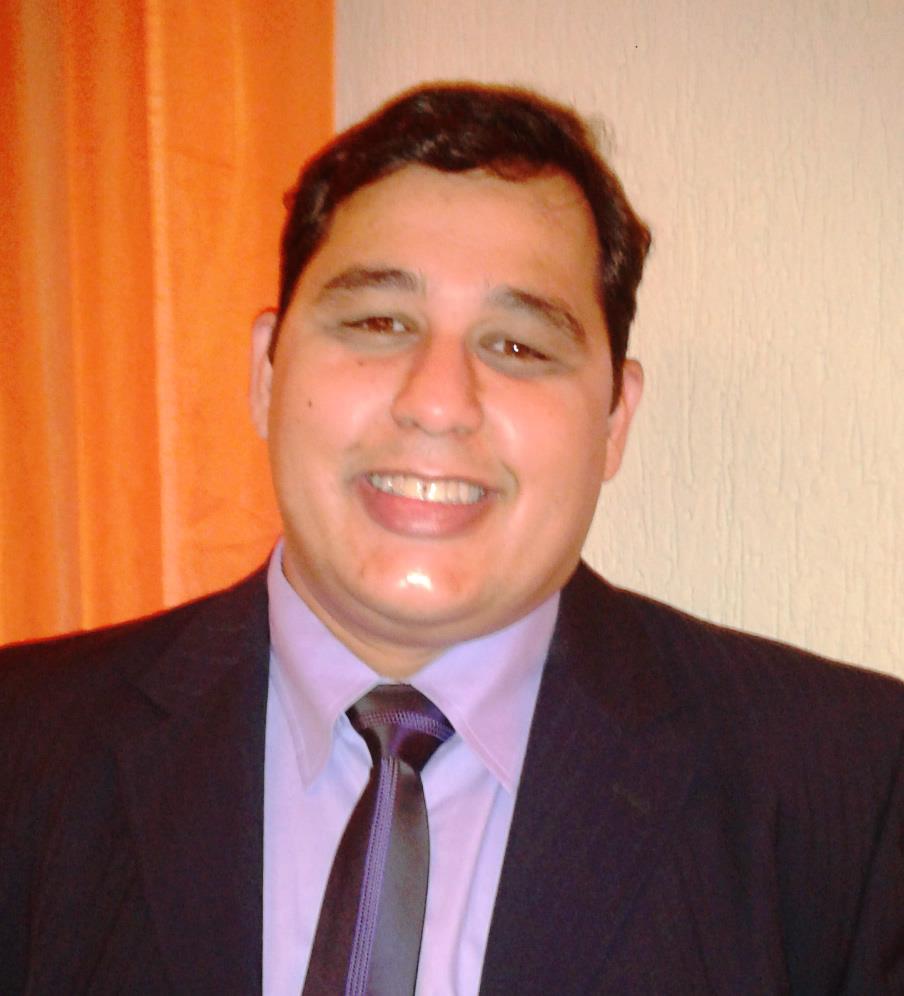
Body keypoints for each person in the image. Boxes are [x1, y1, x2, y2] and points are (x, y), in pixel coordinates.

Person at [1, 82, 902, 995]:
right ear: (266, 375)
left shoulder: (855, 790)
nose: (436, 402)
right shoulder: (22, 747)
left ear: (614, 421)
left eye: (518, 347)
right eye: (378, 322)